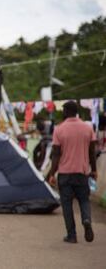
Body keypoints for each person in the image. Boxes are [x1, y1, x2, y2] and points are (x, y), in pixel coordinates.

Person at [47, 101, 97, 243]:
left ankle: (72, 235)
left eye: (63, 110)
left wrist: (52, 174)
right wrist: (94, 170)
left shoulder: (59, 129)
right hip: (82, 173)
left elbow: (56, 154)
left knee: (67, 205)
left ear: (66, 111)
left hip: (65, 174)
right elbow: (92, 152)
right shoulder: (88, 128)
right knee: (84, 200)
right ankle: (86, 220)